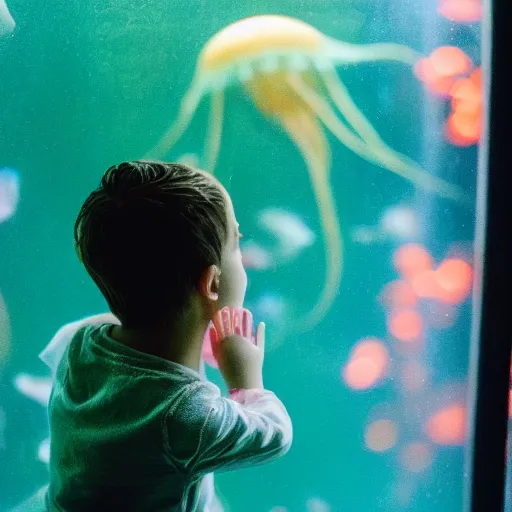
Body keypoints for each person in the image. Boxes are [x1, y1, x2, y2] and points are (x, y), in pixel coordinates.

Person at [43, 161, 293, 512]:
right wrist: (245, 380)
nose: (244, 254)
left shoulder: (79, 342)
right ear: (212, 283)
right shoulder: (183, 414)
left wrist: (196, 333)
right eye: (236, 243)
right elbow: (273, 435)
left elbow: (144, 346)